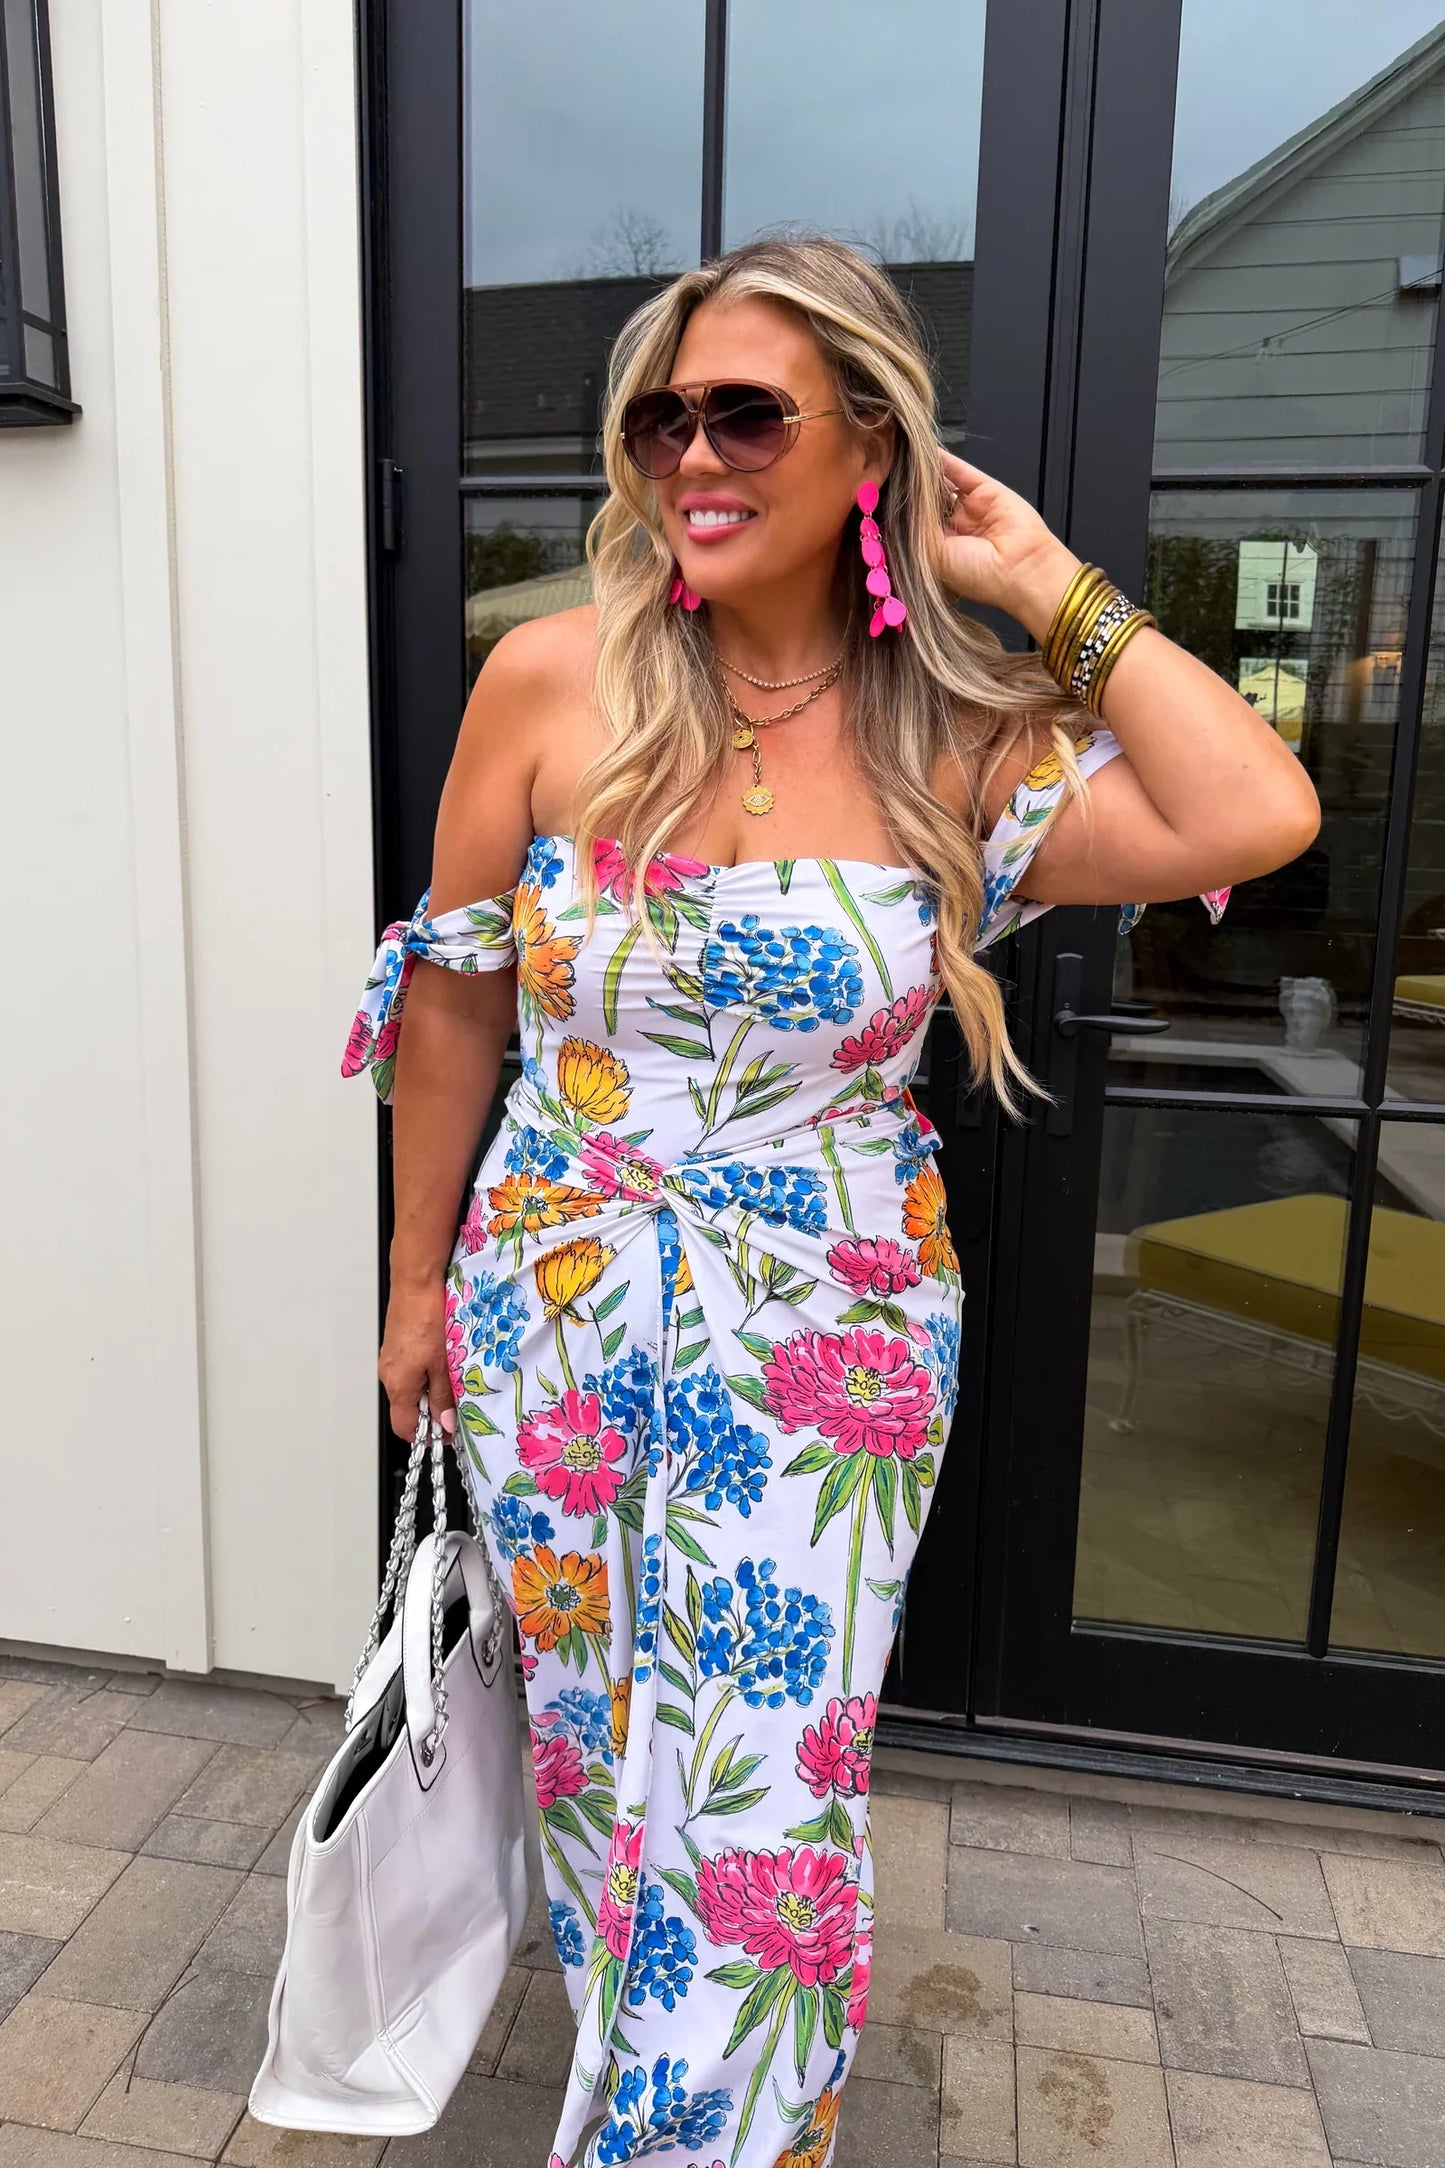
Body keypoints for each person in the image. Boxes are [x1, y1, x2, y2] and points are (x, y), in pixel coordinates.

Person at [343, 236, 1319, 2168]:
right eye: (658, 415)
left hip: (826, 1328)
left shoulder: (954, 727)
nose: (690, 454)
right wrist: (410, 1285)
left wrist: (1047, 585)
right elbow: (454, 1004)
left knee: (765, 1776)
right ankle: (645, 2086)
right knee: (605, 1748)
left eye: (745, 413)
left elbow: (1251, 811)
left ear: (865, 438)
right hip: (555, 1292)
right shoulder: (548, 679)